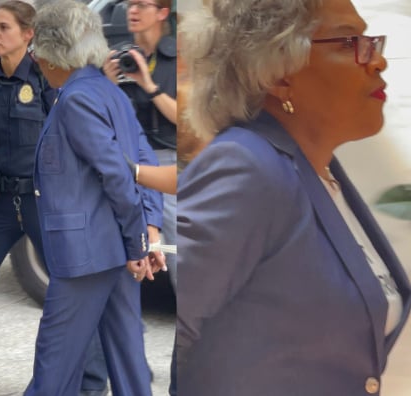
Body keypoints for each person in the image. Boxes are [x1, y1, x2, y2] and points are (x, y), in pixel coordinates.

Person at [176, 0, 411, 395]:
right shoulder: (246, 167)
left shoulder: (324, 171)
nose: (377, 61)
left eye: (371, 41)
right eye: (350, 42)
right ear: (279, 74)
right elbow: (176, 327)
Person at [0, 2, 111, 395]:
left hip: (45, 202)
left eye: (3, 27)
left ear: (28, 35)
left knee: (71, 289)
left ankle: (91, 384)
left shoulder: (47, 80)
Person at [25, 1, 165, 394]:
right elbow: (142, 159)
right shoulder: (111, 91)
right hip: (115, 249)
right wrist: (141, 237)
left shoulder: (75, 98)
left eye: (37, 50)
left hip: (86, 256)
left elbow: (118, 173)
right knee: (128, 362)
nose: (35, 60)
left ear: (55, 51)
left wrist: (139, 241)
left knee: (54, 366)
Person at [103, 0, 177, 291]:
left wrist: (149, 86)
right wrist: (107, 83)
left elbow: (186, 120)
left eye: (141, 4)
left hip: (168, 162)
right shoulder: (120, 58)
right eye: (130, 4)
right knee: (125, 253)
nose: (132, 11)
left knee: (179, 259)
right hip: (128, 163)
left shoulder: (178, 59)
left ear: (162, 12)